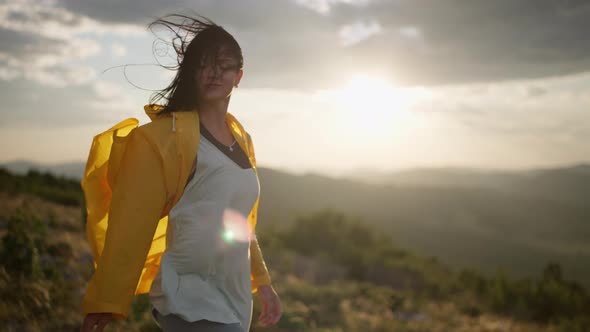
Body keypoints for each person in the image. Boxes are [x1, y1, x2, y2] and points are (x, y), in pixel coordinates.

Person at [80, 14, 282, 332]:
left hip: (235, 301)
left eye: (224, 65)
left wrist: (264, 284)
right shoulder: (167, 139)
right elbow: (132, 223)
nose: (214, 73)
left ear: (239, 76)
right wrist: (106, 302)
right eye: (203, 64)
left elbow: (240, 222)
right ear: (191, 72)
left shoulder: (242, 140)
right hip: (187, 298)